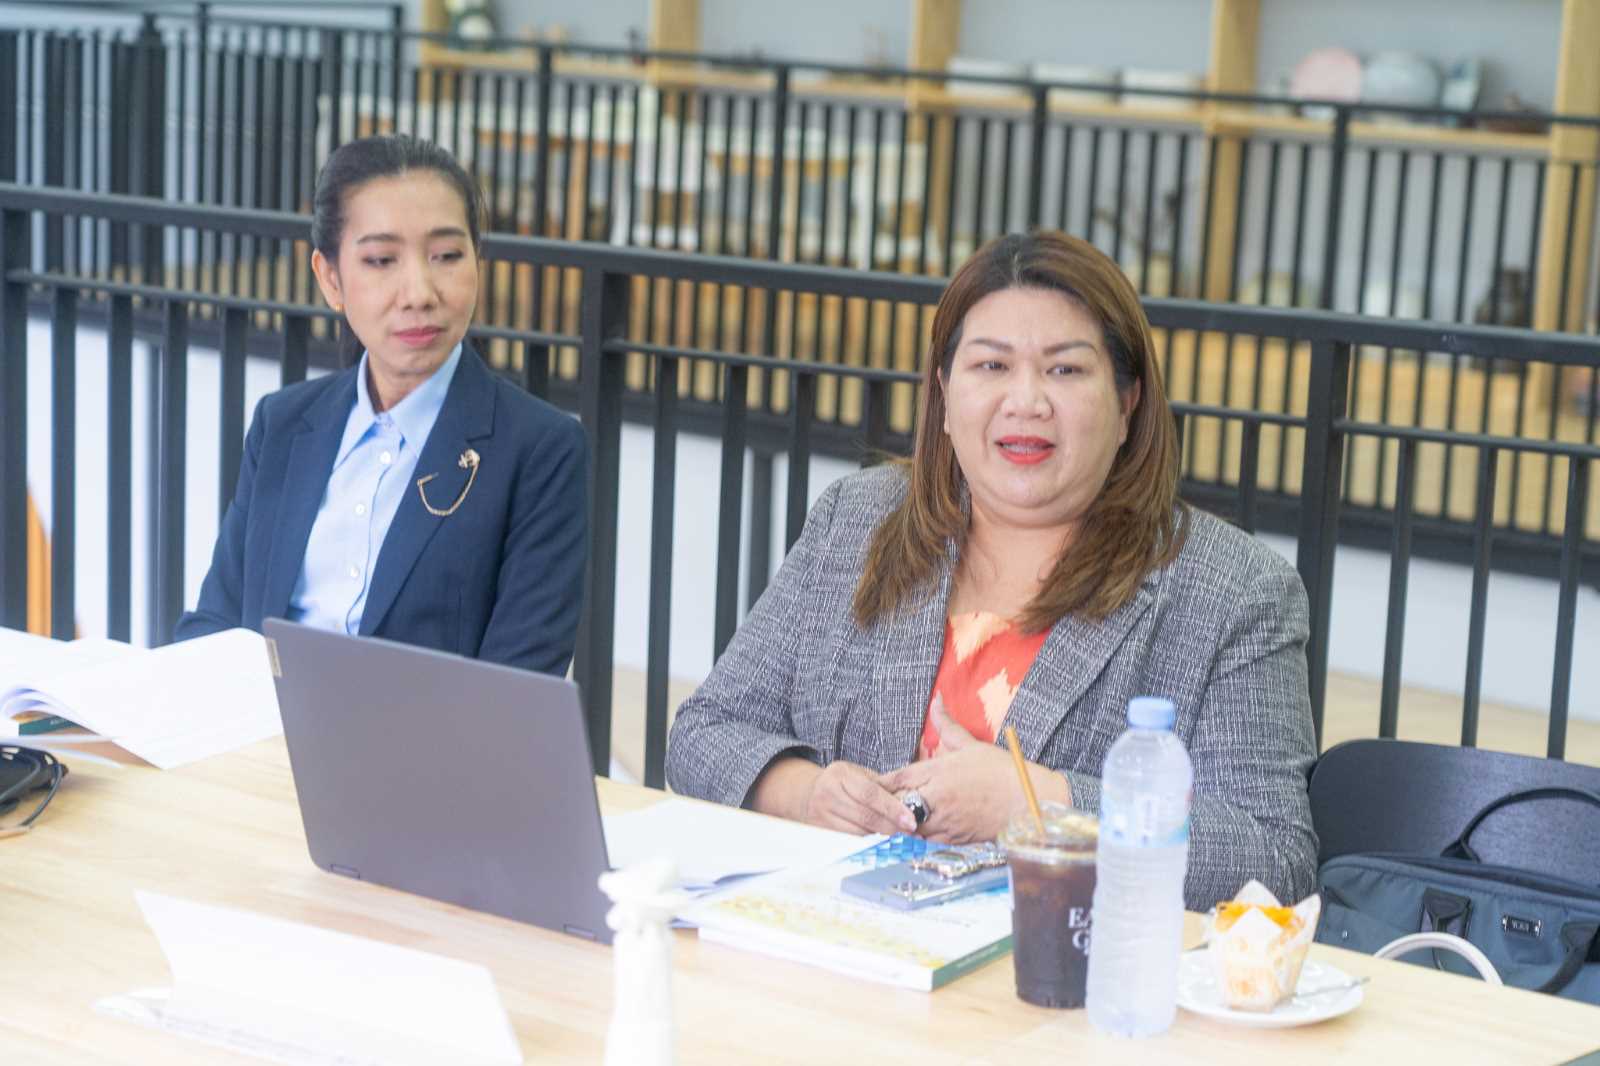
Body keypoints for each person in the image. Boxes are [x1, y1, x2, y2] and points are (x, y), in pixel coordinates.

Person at [665, 231, 1318, 909]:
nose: (1026, 401)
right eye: (991, 365)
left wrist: (1037, 806)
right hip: (837, 938)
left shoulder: (1234, 590)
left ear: (1127, 404)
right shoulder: (856, 521)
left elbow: (1274, 860)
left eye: (1065, 371)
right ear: (945, 393)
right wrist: (807, 793)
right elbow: (704, 734)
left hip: (1053, 962)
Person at [175, 134, 588, 676]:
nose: (419, 293)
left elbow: (517, 688)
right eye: (381, 260)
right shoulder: (283, 424)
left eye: (447, 256)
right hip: (258, 726)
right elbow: (217, 625)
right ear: (330, 279)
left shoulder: (538, 450)